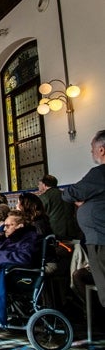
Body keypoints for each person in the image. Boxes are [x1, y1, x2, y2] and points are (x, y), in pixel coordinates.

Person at [62, 129, 105, 310]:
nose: (91, 152)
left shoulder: (100, 173)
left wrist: (83, 201)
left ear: (101, 150)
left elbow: (69, 194)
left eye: (92, 148)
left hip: (101, 239)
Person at [38, 174, 82, 242]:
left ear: (44, 185)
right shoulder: (66, 194)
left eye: (39, 184)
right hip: (72, 229)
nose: (38, 186)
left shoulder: (44, 197)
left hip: (55, 232)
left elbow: (38, 214)